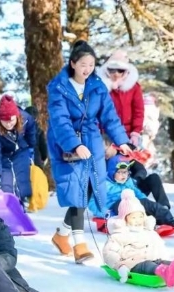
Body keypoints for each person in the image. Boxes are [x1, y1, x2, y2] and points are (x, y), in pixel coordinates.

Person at [46, 40, 132, 263]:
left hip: (92, 141)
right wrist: (74, 144)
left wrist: (121, 140)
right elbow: (60, 120)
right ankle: (80, 245)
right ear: (73, 63)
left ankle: (61, 235)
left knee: (92, 188)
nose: (87, 69)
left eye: (92, 65)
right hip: (66, 144)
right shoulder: (59, 87)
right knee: (77, 190)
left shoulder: (97, 86)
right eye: (83, 64)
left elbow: (109, 116)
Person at [102, 189, 174, 287]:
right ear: (124, 219)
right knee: (148, 265)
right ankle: (166, 273)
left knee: (165, 263)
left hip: (154, 259)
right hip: (132, 264)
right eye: (134, 217)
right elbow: (109, 253)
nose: (138, 220)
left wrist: (161, 255)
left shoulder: (147, 231)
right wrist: (119, 266)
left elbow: (157, 244)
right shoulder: (119, 234)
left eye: (141, 216)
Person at [90, 155, 174, 227]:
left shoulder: (128, 181)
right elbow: (92, 202)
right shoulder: (103, 184)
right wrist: (105, 213)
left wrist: (146, 202)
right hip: (114, 207)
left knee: (144, 204)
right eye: (119, 172)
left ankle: (165, 220)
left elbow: (137, 192)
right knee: (134, 203)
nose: (123, 175)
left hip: (131, 205)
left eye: (125, 172)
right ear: (112, 172)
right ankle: (160, 221)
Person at [0, 95, 37, 209]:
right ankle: (9, 204)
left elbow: (32, 130)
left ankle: (24, 200)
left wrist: (31, 146)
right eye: (5, 121)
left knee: (23, 176)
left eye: (11, 120)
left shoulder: (25, 117)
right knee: (6, 181)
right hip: (3, 152)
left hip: (21, 148)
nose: (8, 124)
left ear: (17, 117)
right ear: (0, 120)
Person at [103, 136, 170, 208]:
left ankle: (164, 206)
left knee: (154, 178)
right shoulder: (102, 162)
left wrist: (135, 180)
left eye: (104, 151)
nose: (103, 155)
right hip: (117, 197)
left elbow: (141, 169)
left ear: (111, 146)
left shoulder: (124, 156)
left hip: (135, 190)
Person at [98, 49, 145, 148]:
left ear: (126, 71)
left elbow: (138, 111)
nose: (116, 74)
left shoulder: (133, 87)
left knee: (129, 162)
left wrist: (135, 132)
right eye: (112, 70)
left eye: (120, 70)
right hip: (105, 135)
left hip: (128, 135)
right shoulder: (100, 88)